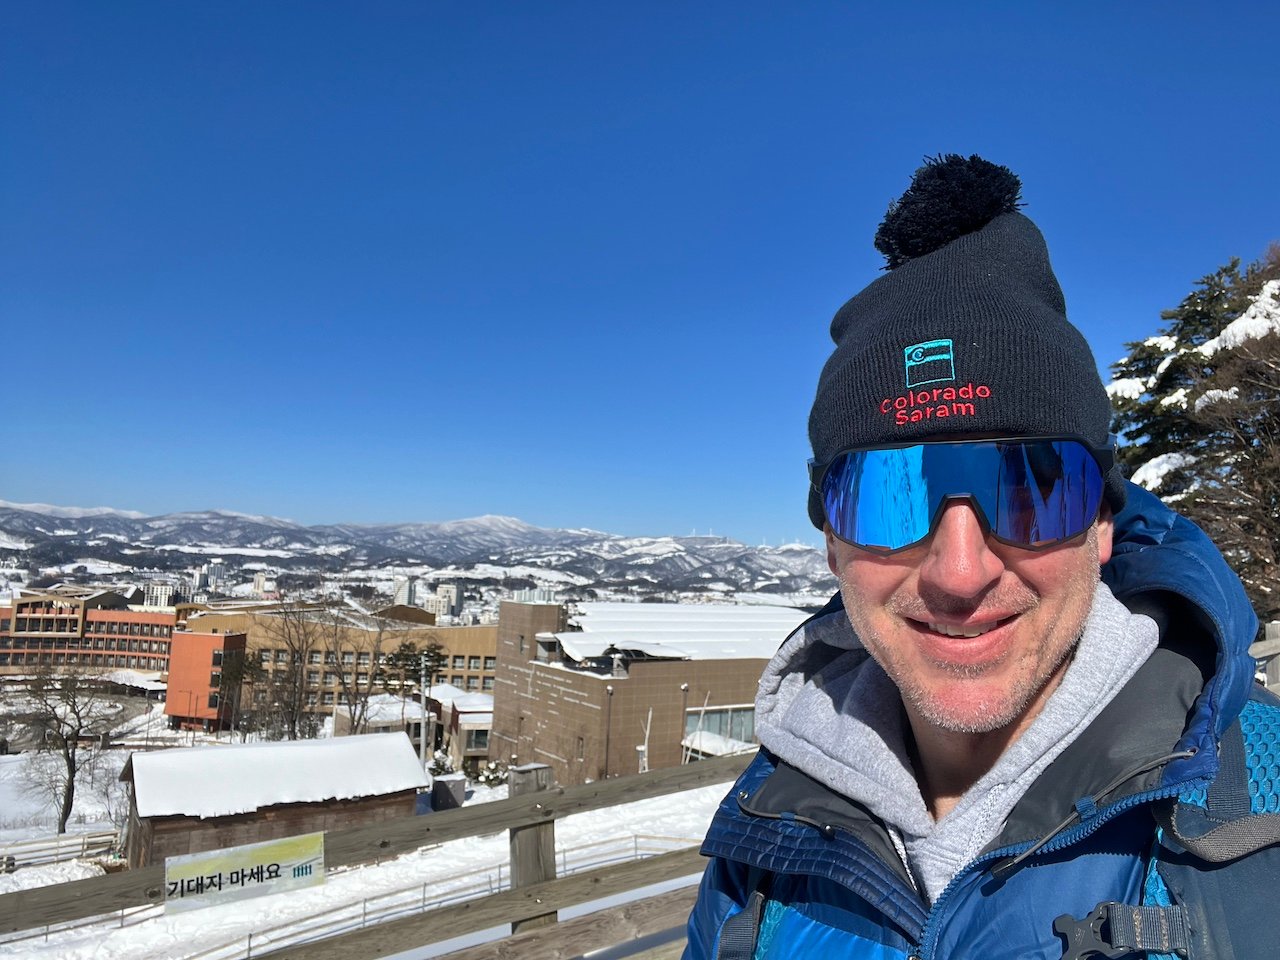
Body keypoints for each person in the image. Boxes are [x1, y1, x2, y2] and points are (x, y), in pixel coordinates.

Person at [683, 155, 1279, 960]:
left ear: (1103, 523)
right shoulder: (764, 836)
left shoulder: (1262, 814)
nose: (960, 574)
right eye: (888, 495)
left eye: (1034, 487)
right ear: (831, 541)